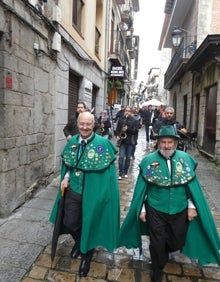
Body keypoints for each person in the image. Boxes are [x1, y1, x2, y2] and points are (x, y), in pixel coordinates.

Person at [118, 125, 220, 282]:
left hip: (180, 209)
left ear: (175, 142)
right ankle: (157, 267)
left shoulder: (185, 159)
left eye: (170, 142)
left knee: (177, 241)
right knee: (157, 241)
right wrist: (142, 209)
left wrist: (192, 206)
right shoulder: (148, 161)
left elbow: (192, 187)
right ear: (158, 143)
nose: (166, 145)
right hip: (156, 208)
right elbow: (141, 190)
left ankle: (164, 251)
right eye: (163, 142)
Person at [50, 112, 120, 277]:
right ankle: (80, 242)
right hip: (74, 189)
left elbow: (109, 176)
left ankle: (86, 257)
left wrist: (105, 195)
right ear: (78, 123)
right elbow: (68, 164)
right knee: (70, 221)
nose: (85, 127)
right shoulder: (73, 141)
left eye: (88, 124)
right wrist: (66, 178)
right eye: (82, 124)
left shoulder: (103, 144)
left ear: (93, 124)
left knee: (90, 223)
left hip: (94, 192)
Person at [115, 106, 139, 179]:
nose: (127, 112)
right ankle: (120, 172)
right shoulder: (121, 119)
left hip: (130, 142)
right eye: (126, 111)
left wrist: (128, 129)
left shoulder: (134, 120)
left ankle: (125, 172)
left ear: (131, 112)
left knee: (128, 158)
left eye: (128, 111)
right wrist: (117, 135)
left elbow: (135, 131)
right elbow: (117, 129)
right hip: (122, 141)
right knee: (121, 157)